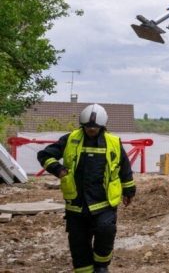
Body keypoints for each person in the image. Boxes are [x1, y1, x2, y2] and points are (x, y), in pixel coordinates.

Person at [37, 104, 135, 273]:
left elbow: (124, 168)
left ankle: (101, 266)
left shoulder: (113, 142)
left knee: (106, 231)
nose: (91, 129)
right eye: (88, 126)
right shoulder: (70, 139)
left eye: (95, 127)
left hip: (104, 201)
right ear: (82, 125)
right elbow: (44, 155)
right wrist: (58, 169)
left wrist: (129, 190)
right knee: (79, 242)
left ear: (102, 126)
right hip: (77, 202)